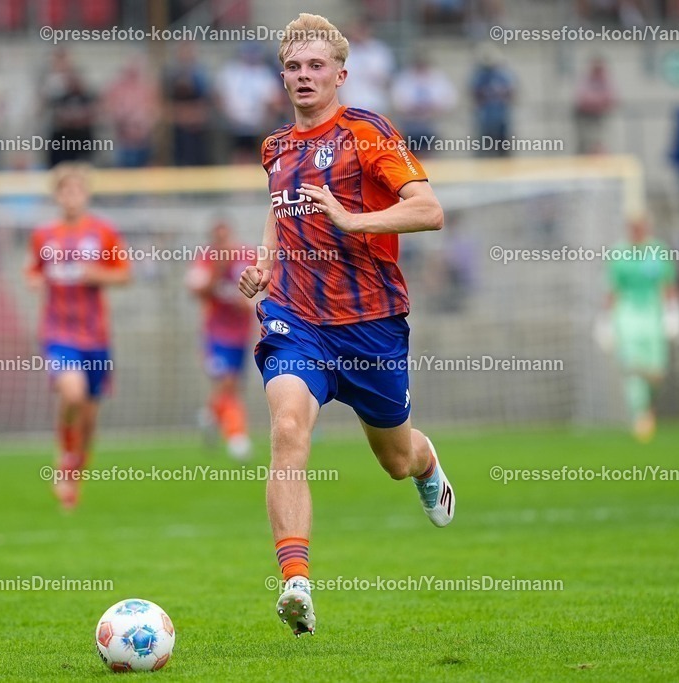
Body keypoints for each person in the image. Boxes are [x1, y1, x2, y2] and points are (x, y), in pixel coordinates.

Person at [237, 13, 455, 638]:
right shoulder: (275, 148)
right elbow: (280, 217)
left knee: (395, 458)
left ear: (340, 73)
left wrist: (354, 222)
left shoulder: (369, 133)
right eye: (294, 67)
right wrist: (263, 265)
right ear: (283, 76)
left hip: (370, 327)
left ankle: (426, 461)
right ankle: (296, 582)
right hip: (297, 320)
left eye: (316, 66)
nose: (304, 76)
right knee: (285, 427)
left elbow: (429, 210)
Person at [25, 163, 131, 509]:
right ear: (57, 196)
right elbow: (33, 270)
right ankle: (63, 457)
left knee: (88, 417)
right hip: (59, 331)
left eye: (77, 190)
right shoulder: (44, 236)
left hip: (95, 336)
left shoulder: (103, 232)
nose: (71, 197)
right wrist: (34, 279)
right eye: (64, 191)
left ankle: (74, 472)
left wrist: (94, 273)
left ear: (85, 194)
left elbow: (124, 274)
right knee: (72, 393)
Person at [596, 216, 679, 443]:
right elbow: (612, 289)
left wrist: (673, 312)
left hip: (653, 313)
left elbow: (667, 284)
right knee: (633, 364)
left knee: (655, 371)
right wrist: (605, 320)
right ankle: (640, 415)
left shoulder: (658, 251)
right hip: (627, 313)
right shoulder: (618, 253)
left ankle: (648, 406)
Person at [185, 220, 255, 460]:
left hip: (242, 335)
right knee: (225, 382)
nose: (223, 244)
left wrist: (246, 302)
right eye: (218, 239)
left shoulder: (248, 256)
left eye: (226, 238)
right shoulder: (206, 259)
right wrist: (217, 269)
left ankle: (209, 415)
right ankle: (237, 437)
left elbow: (262, 292)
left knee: (233, 386)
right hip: (215, 334)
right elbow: (196, 290)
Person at [573, 57, 616, 155]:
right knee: (585, 142)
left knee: (600, 141)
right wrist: (599, 101)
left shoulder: (605, 80)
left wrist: (596, 101)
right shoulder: (585, 79)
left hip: (600, 116)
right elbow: (582, 98)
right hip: (584, 116)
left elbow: (611, 98)